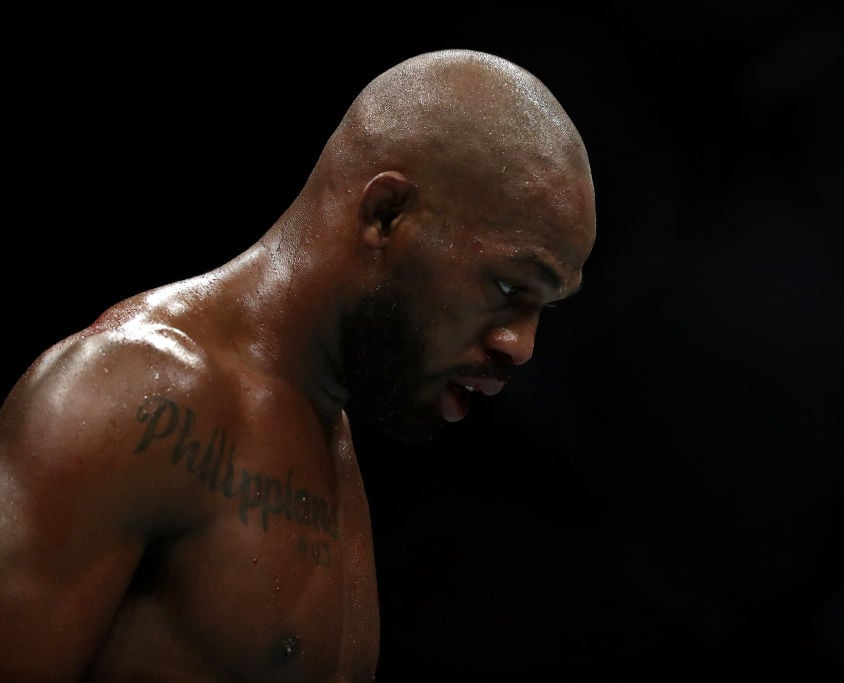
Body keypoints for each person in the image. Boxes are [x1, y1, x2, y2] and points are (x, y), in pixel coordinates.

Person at [0, 48, 596, 681]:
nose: (521, 346)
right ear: (387, 215)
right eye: (509, 288)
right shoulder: (128, 398)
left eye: (547, 308)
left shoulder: (327, 434)